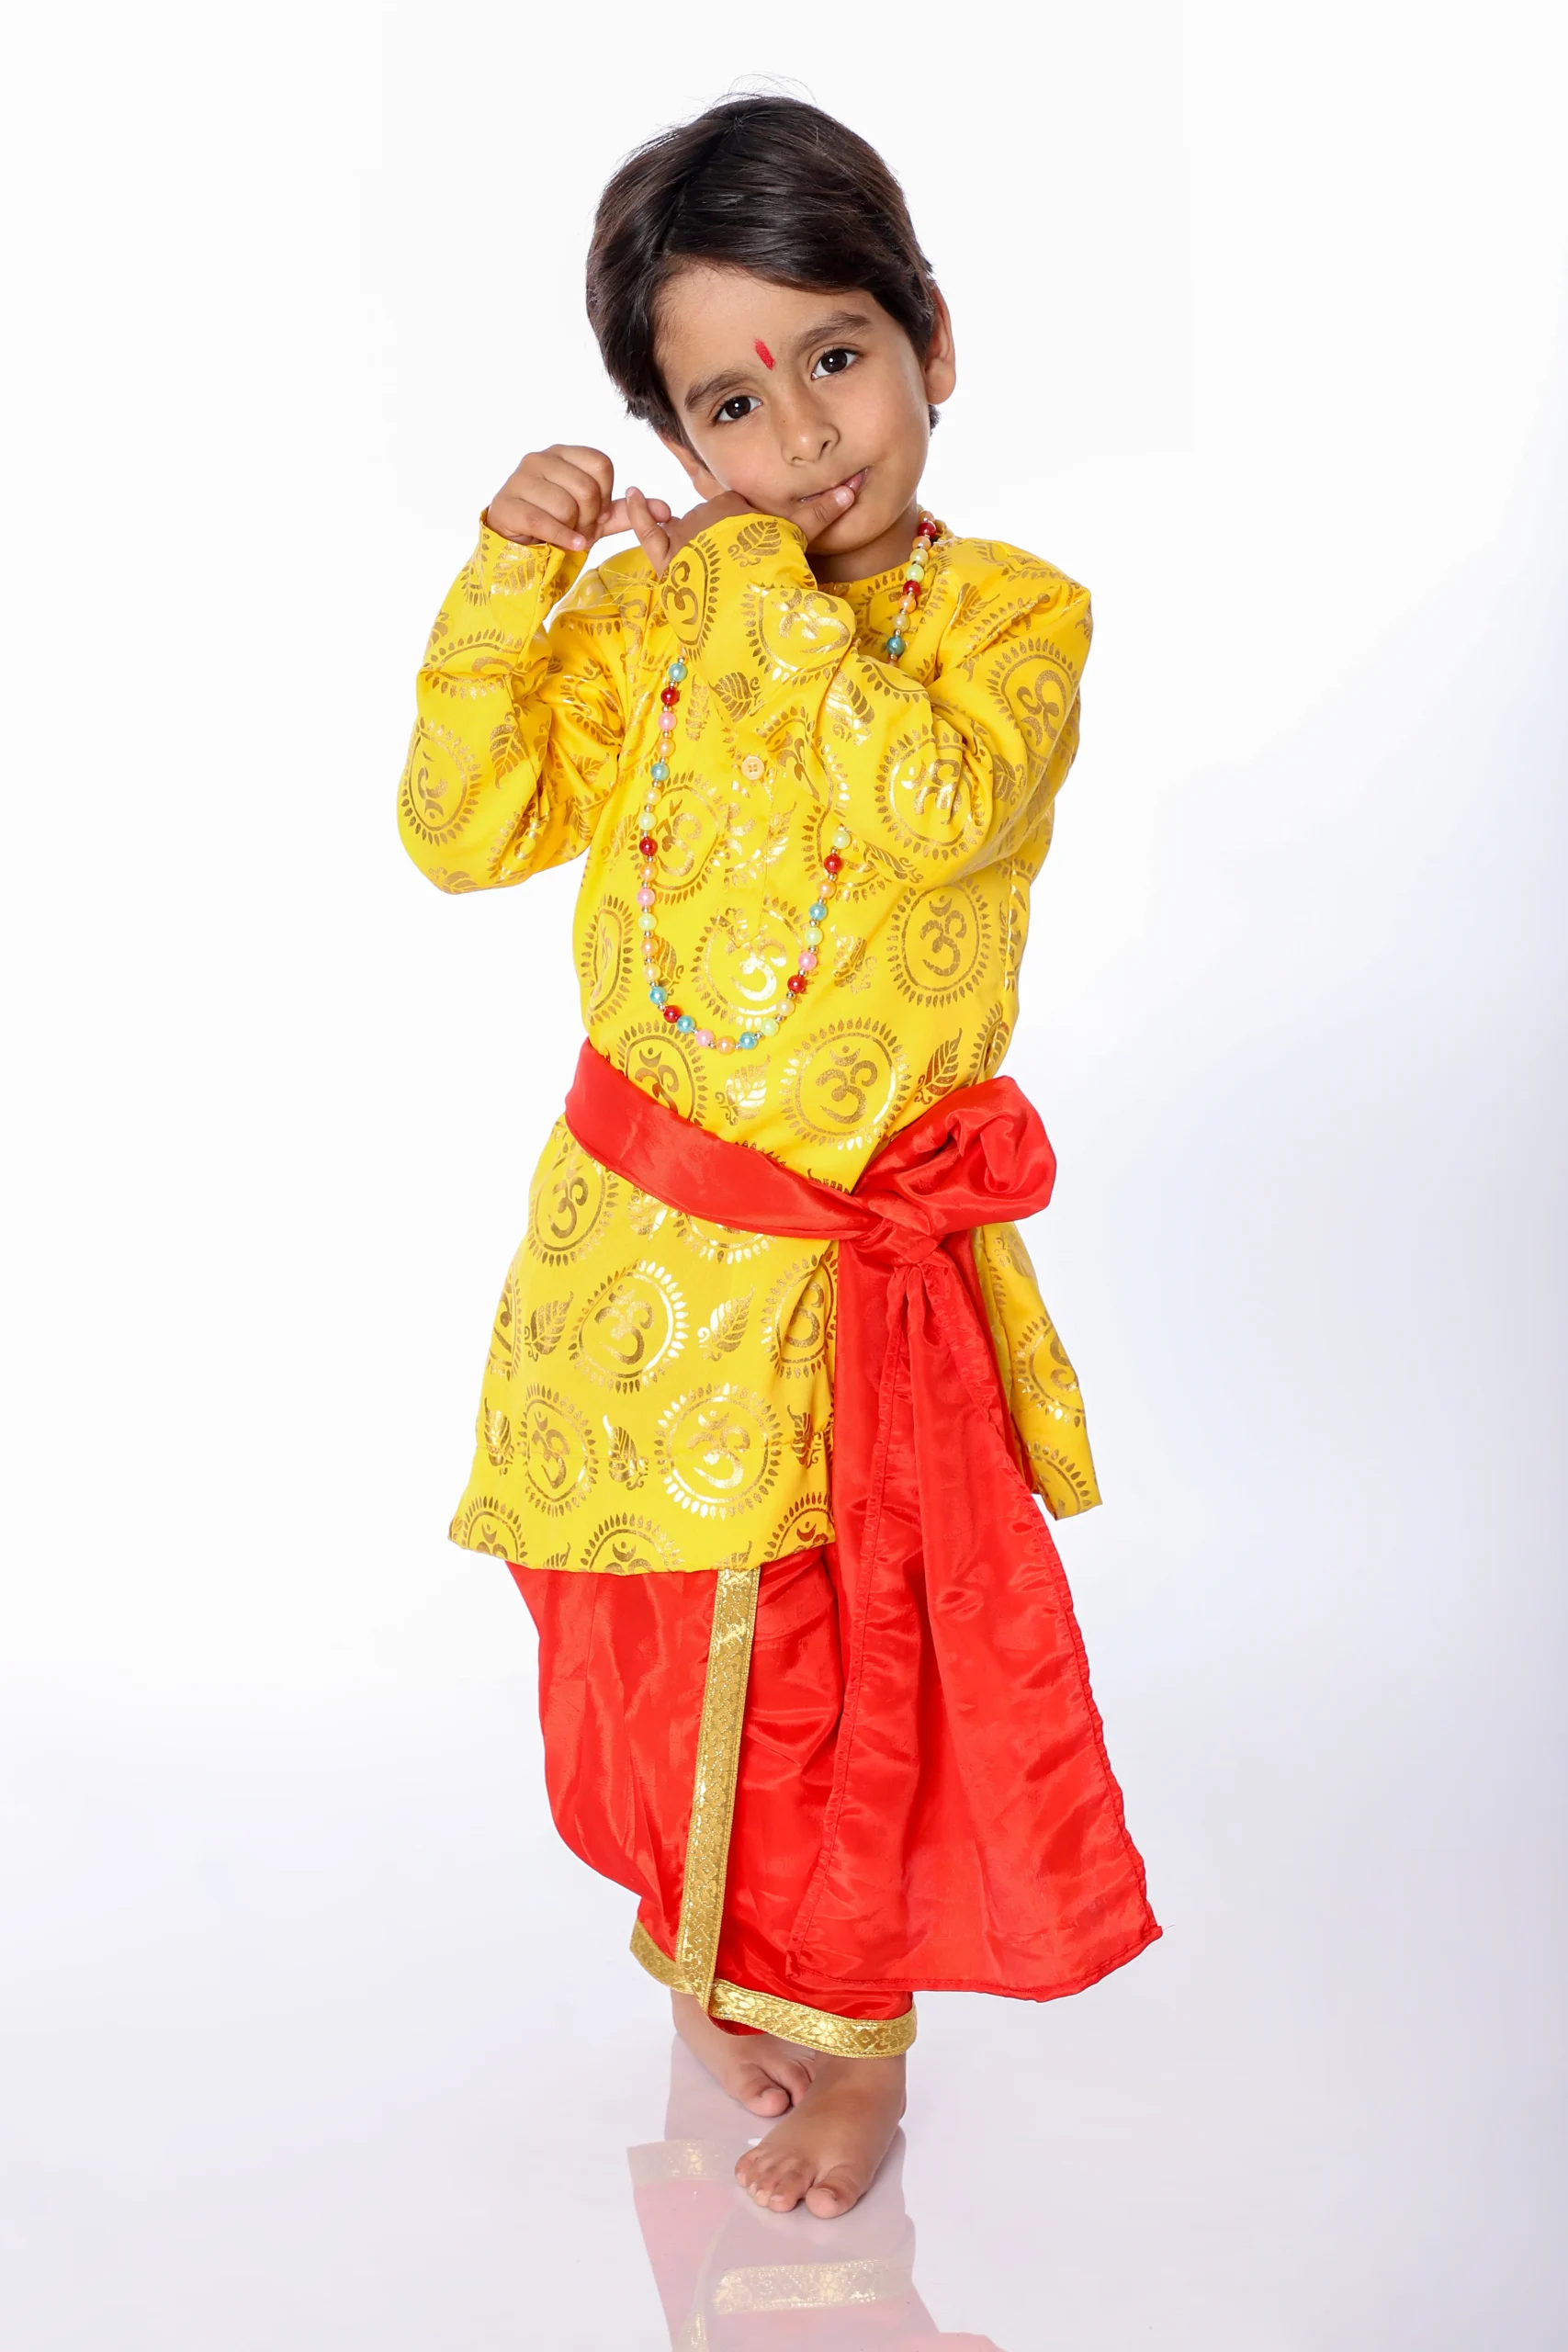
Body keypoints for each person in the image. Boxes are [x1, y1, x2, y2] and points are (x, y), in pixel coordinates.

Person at [397, 93, 1159, 2223]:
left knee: (837, 1676)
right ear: (670, 425)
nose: (804, 434)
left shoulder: (1007, 622)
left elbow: (925, 806)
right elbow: (462, 826)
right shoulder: (653, 615)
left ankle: (857, 2056)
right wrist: (513, 577)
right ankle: (720, 1949)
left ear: (932, 340)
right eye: (730, 405)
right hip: (623, 1263)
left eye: (836, 356)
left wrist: (727, 569)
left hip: (837, 1293)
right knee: (647, 1640)